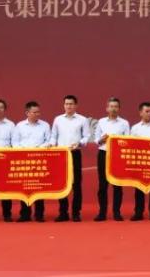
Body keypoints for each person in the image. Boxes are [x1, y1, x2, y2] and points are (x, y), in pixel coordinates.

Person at [51, 94, 90, 222]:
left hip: (75, 153)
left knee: (76, 184)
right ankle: (63, 212)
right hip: (61, 154)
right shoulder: (58, 119)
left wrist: (79, 143)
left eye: (71, 104)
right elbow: (53, 136)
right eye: (66, 104)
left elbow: (86, 136)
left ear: (76, 105)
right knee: (61, 183)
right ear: (64, 105)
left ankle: (76, 212)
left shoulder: (82, 120)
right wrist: (52, 144)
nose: (69, 106)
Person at [92, 97, 130, 221]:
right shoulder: (101, 122)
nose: (113, 109)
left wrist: (119, 142)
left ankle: (117, 212)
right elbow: (96, 139)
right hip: (103, 153)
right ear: (107, 108)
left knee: (117, 185)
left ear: (119, 109)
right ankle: (102, 212)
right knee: (103, 185)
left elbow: (128, 140)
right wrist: (101, 140)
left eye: (116, 106)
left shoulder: (124, 123)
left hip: (118, 156)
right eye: (111, 106)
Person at [12, 101, 50, 222]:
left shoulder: (45, 125)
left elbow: (48, 141)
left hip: (39, 160)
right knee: (24, 188)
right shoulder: (19, 126)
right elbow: (15, 142)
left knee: (39, 187)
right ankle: (25, 214)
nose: (37, 114)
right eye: (34, 112)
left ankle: (39, 214)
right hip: (24, 161)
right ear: (27, 113)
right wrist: (24, 151)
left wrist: (38, 149)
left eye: (38, 112)